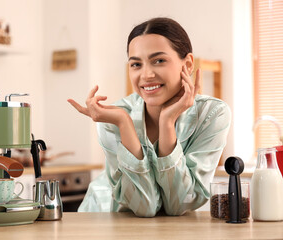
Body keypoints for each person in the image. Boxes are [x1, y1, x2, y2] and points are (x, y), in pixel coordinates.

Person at [67, 17, 231, 217]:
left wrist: (167, 123)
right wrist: (124, 122)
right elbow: (144, 206)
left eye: (159, 61)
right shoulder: (112, 118)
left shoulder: (212, 114)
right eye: (136, 64)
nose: (146, 75)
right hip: (102, 221)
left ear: (187, 64)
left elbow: (178, 205)